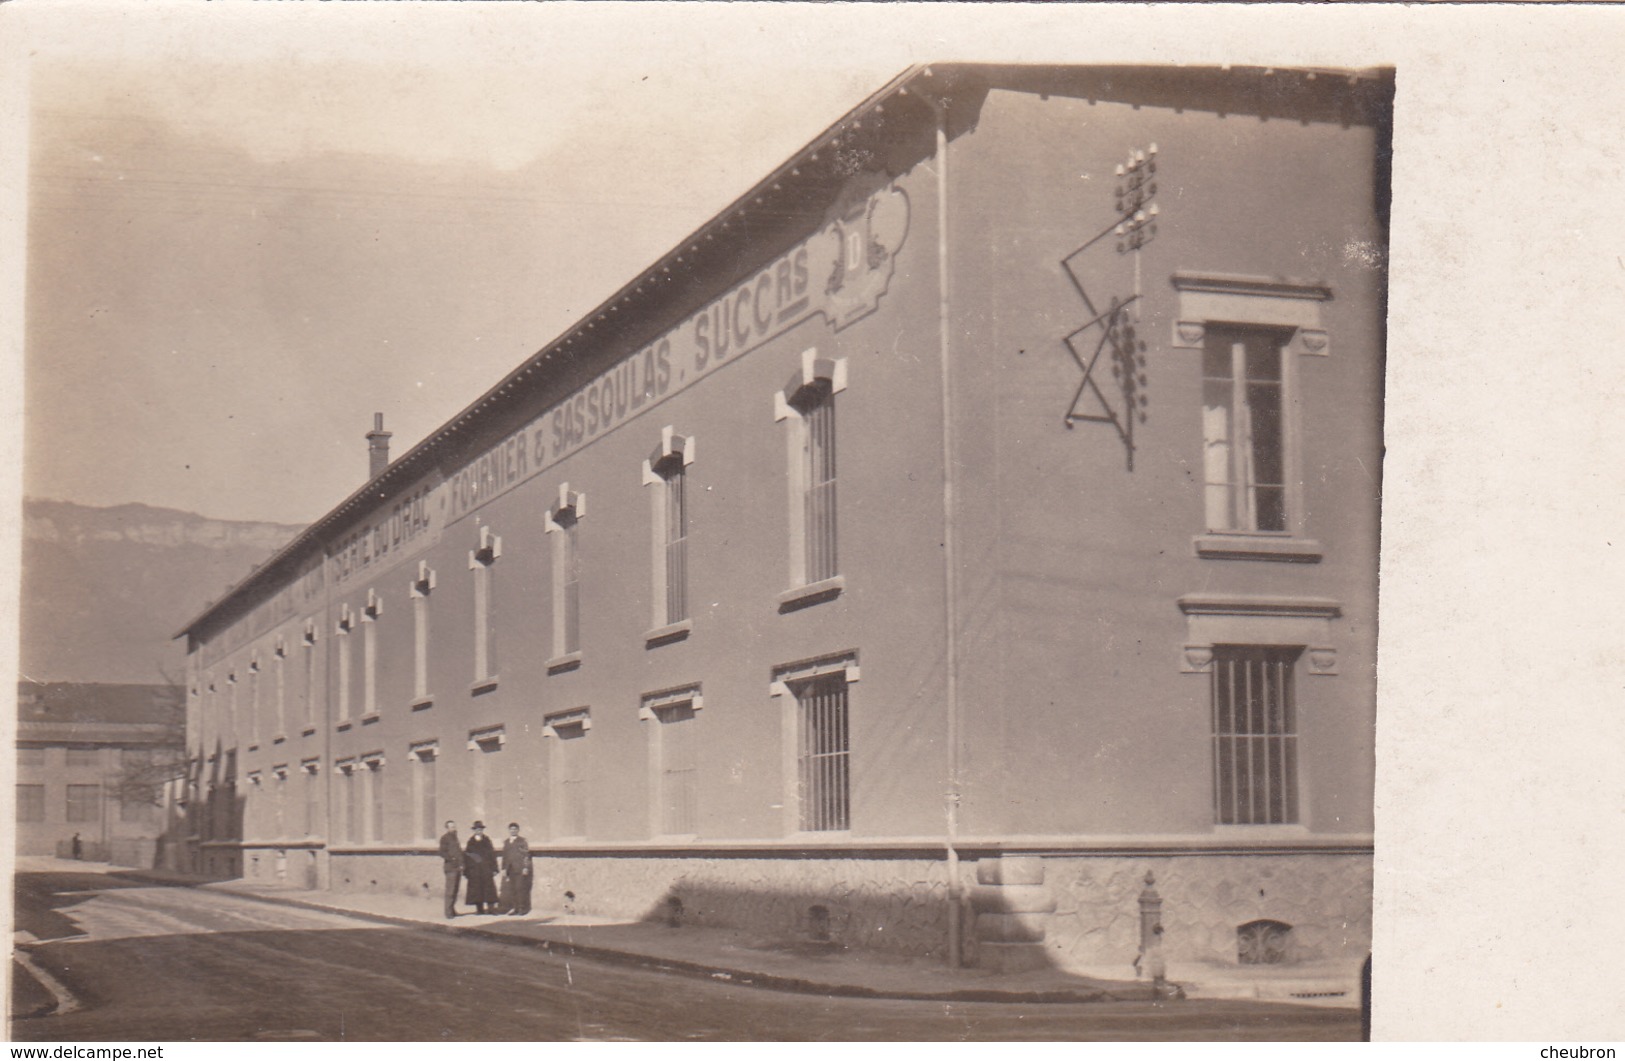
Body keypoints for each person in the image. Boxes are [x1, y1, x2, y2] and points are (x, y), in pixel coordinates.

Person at [463, 821, 499, 915]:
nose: (479, 831)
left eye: (480, 829)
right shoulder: (470, 842)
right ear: (474, 830)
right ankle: (480, 909)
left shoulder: (487, 840)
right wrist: (467, 871)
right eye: (477, 829)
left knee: (489, 888)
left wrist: (494, 868)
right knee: (477, 889)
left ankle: (491, 909)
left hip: (486, 869)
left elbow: (492, 854)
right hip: (475, 870)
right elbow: (467, 856)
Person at [500, 822, 533, 916]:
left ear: (518, 830)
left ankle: (522, 908)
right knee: (512, 889)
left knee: (520, 889)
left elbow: (526, 855)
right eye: (511, 829)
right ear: (509, 830)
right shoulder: (506, 842)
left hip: (520, 869)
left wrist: (525, 867)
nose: (513, 831)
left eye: (515, 829)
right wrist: (503, 869)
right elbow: (504, 856)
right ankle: (515, 908)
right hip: (510, 870)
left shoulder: (522, 841)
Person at [438, 820, 463, 919]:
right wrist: (451, 859)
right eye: (451, 827)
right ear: (447, 828)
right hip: (450, 868)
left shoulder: (455, 838)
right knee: (450, 890)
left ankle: (452, 909)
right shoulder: (444, 838)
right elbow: (442, 852)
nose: (454, 828)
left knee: (455, 889)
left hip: (457, 868)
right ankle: (448, 912)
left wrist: (461, 864)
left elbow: (459, 852)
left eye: (454, 826)